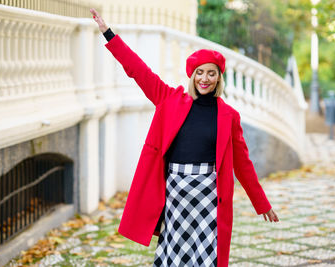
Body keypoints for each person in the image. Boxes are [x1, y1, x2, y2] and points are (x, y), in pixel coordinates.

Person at [90, 8, 279, 267]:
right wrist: (109, 35)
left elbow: (242, 164)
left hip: (209, 196)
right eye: (200, 72)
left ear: (218, 78)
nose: (205, 78)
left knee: (206, 256)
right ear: (192, 75)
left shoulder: (229, 116)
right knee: (174, 255)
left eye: (211, 73)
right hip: (176, 192)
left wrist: (262, 203)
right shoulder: (169, 99)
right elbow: (138, 71)